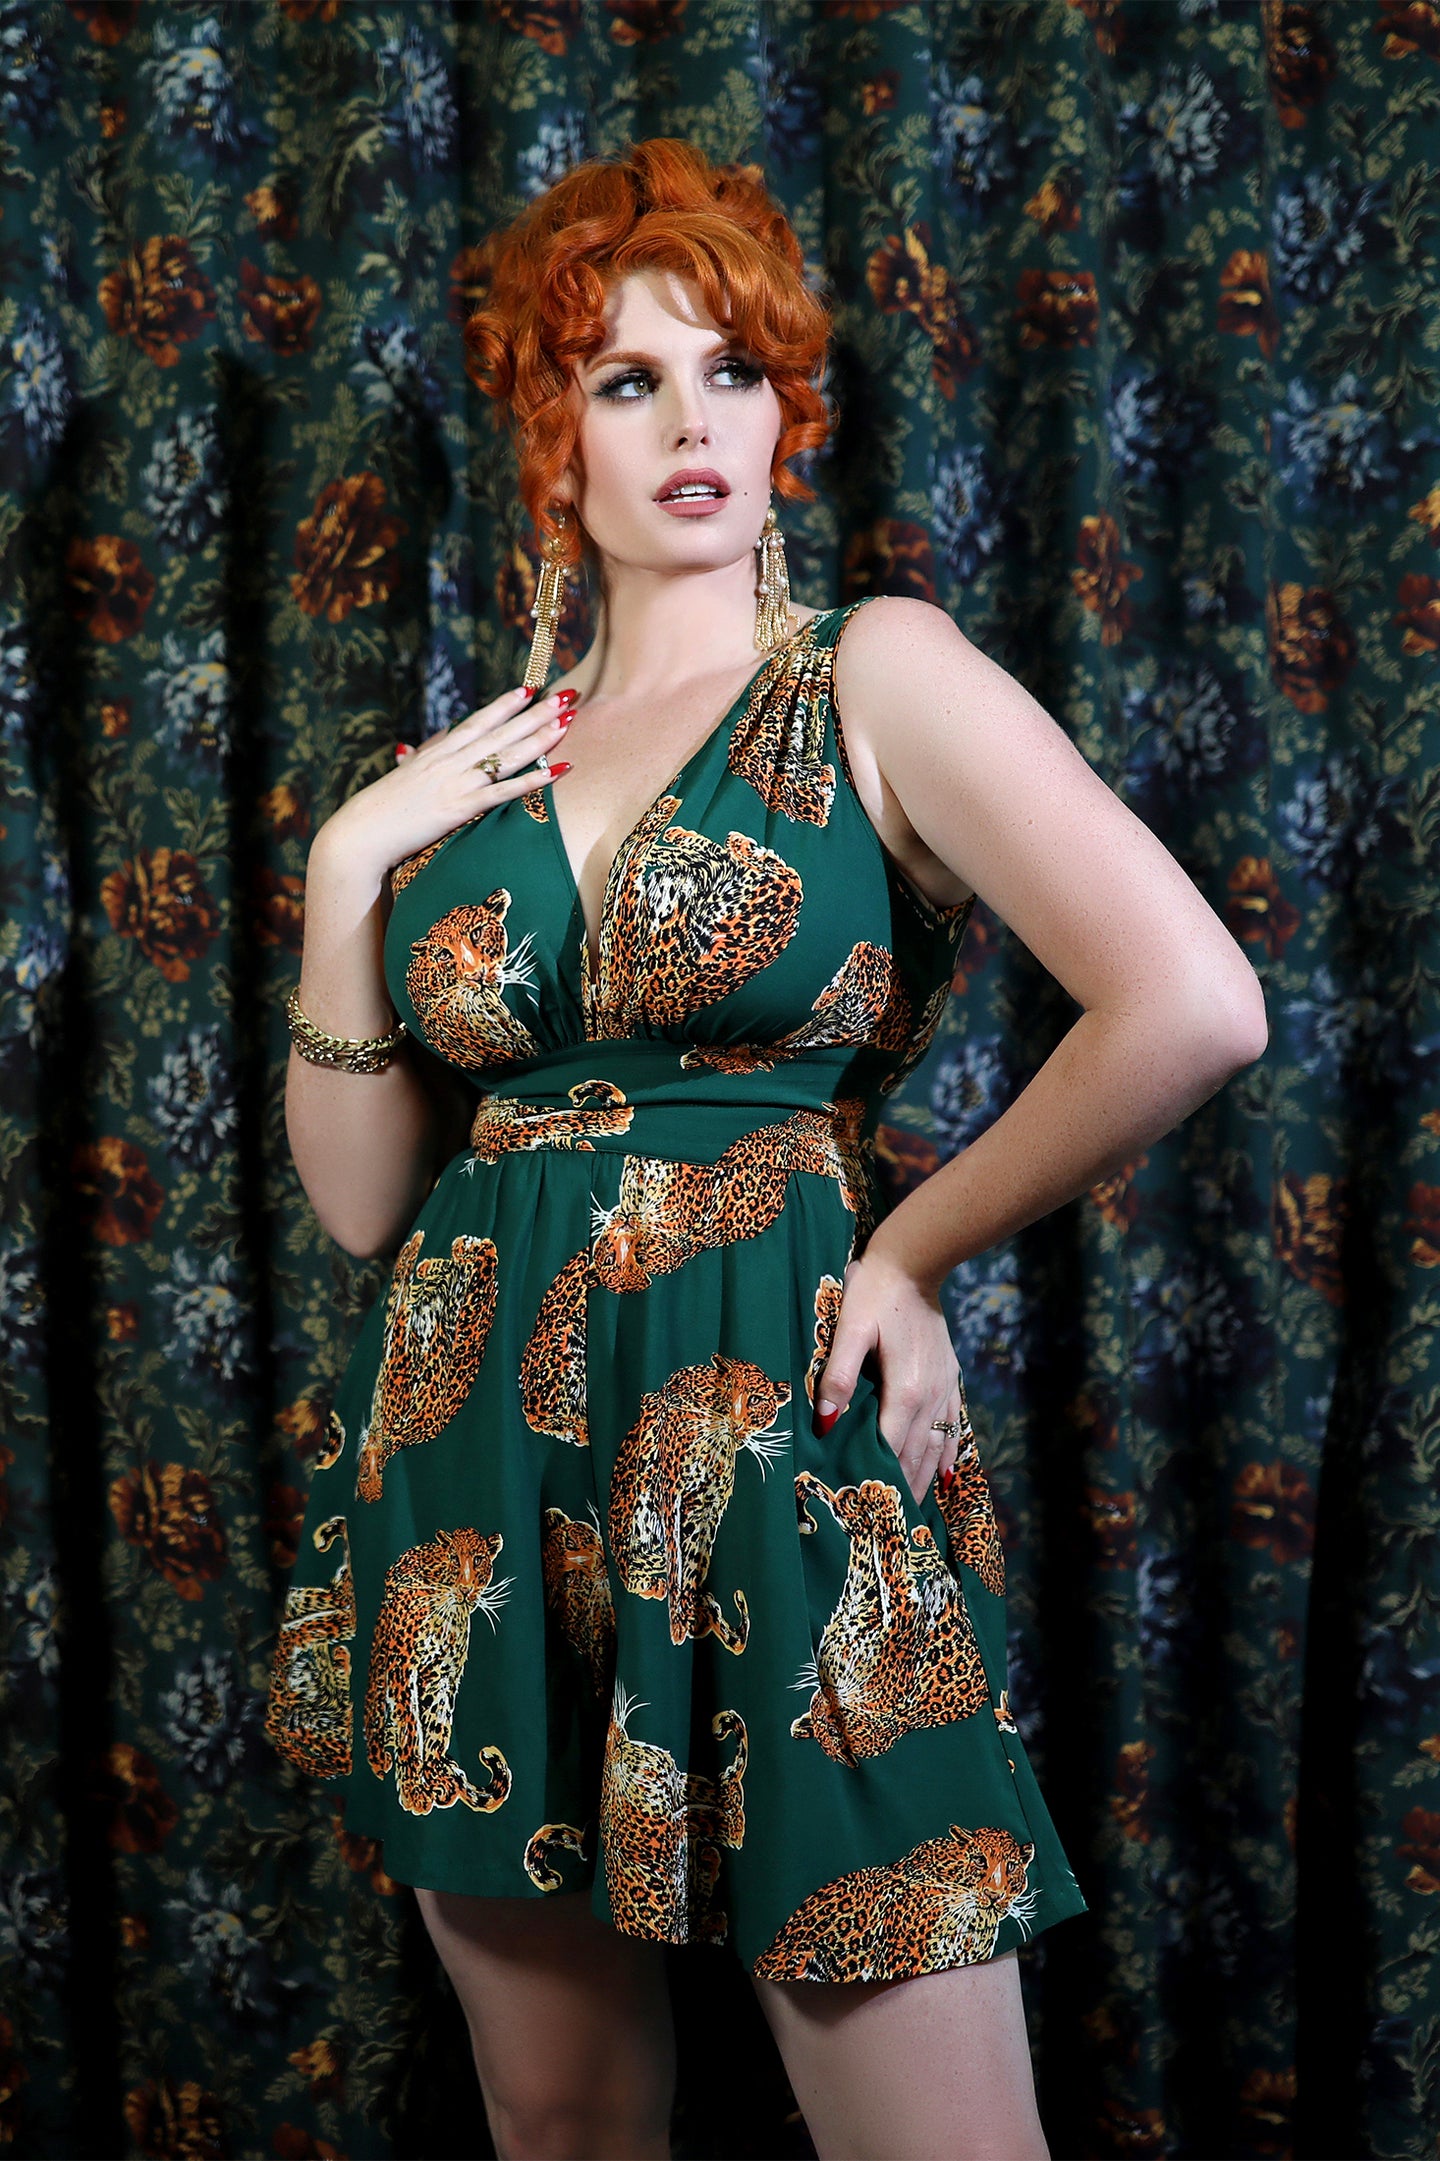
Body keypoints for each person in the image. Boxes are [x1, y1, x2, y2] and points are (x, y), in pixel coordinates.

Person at [264, 139, 1267, 2161]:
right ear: (555, 432)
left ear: (788, 410)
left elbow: (1193, 1000)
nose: (693, 422)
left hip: (774, 1417)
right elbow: (367, 1200)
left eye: (733, 371)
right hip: (476, 1452)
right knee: (561, 2122)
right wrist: (347, 866)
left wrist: (911, 1249)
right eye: (628, 380)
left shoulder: (870, 674)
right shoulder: (465, 775)